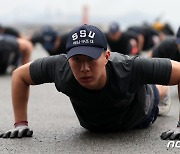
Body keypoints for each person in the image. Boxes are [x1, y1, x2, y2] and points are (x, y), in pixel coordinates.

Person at [0, 24, 180, 140]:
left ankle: (162, 95)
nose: (84, 68)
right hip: (95, 126)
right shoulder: (60, 67)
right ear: (68, 58)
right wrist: (21, 123)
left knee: (157, 90)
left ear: (106, 56)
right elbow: (19, 75)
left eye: (91, 59)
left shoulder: (129, 66)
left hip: (139, 115)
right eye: (77, 59)